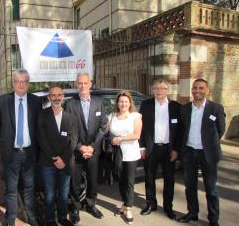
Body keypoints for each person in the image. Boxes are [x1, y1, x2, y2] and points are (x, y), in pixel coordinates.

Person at [0, 68, 40, 226]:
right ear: (13, 83)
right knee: (11, 189)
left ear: (28, 83)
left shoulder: (35, 101)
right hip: (11, 153)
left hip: (29, 153)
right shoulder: (3, 101)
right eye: (18, 81)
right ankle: (10, 219)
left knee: (29, 187)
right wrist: (7, 141)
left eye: (24, 81)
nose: (21, 84)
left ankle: (32, 217)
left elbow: (38, 127)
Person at [178, 78, 225, 226]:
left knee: (211, 189)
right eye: (195, 88)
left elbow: (220, 130)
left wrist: (210, 144)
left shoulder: (216, 108)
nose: (197, 91)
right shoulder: (184, 108)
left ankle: (213, 220)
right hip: (189, 152)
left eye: (201, 88)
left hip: (208, 154)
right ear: (192, 90)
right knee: (190, 186)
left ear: (207, 90)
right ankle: (192, 213)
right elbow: (182, 130)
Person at [64, 73, 107, 224]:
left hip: (93, 150)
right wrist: (80, 147)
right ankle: (75, 208)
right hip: (76, 151)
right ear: (76, 84)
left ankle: (90, 205)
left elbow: (103, 127)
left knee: (93, 180)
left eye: (85, 83)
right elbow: (68, 129)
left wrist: (93, 147)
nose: (82, 86)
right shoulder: (70, 104)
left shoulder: (99, 102)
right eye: (80, 83)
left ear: (90, 84)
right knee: (75, 181)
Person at [139, 79, 181, 220]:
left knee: (169, 179)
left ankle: (168, 207)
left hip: (169, 149)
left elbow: (180, 130)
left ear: (167, 90)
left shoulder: (175, 107)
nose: (159, 91)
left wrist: (176, 149)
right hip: (152, 148)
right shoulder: (146, 105)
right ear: (153, 90)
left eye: (163, 88)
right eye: (157, 88)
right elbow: (141, 128)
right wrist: (142, 147)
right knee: (149, 177)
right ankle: (151, 204)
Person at [37, 85, 78, 226]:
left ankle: (62, 218)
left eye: (59, 95)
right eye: (53, 95)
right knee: (49, 194)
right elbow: (41, 139)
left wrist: (64, 159)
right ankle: (49, 220)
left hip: (66, 163)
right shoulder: (42, 115)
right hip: (48, 162)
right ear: (49, 97)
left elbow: (74, 140)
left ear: (63, 97)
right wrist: (55, 158)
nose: (56, 98)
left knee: (64, 194)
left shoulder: (71, 117)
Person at [108, 91, 142, 224]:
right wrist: (112, 139)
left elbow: (137, 135)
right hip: (117, 155)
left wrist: (120, 139)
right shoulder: (112, 116)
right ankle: (124, 203)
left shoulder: (135, 116)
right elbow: (107, 133)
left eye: (126, 102)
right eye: (121, 101)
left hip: (131, 154)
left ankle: (128, 208)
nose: (123, 104)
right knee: (121, 181)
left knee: (129, 182)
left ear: (130, 103)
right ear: (117, 103)